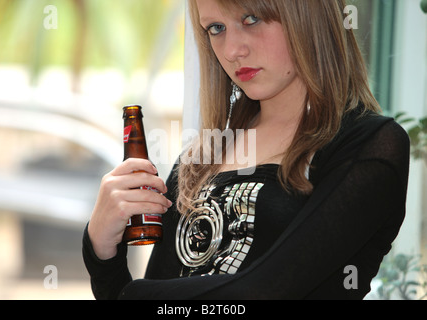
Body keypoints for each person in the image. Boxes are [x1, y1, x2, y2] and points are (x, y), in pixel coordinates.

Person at [82, 0, 410, 300]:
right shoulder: (204, 156)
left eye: (251, 19)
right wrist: (100, 247)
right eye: (216, 29)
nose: (232, 51)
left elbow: (263, 291)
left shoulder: (370, 145)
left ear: (307, 13)